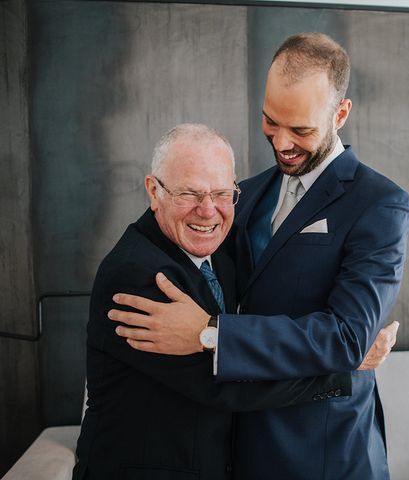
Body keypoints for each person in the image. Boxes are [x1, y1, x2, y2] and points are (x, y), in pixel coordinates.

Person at [110, 33, 409, 479]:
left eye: (302, 129)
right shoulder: (245, 194)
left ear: (341, 114)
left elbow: (347, 339)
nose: (282, 142)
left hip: (326, 451)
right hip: (241, 443)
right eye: (271, 122)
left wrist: (211, 334)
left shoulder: (381, 204)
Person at [74, 124, 378, 480]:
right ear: (153, 192)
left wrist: (343, 331)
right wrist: (341, 370)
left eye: (221, 193)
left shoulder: (222, 253)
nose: (208, 211)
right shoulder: (135, 275)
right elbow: (225, 382)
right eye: (188, 193)